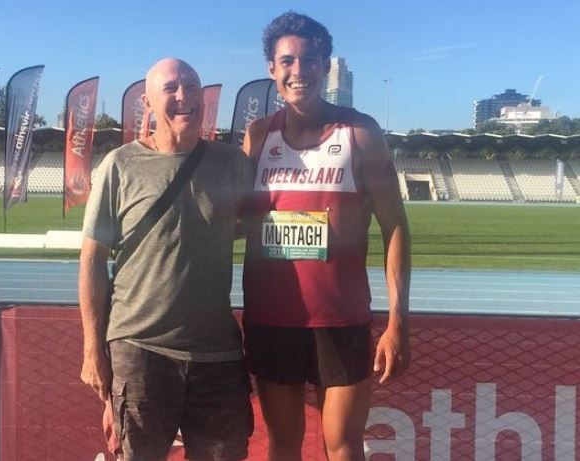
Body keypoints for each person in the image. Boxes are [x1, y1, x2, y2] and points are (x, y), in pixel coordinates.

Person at [241, 12, 411, 461]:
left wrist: (398, 321)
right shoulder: (258, 136)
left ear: (325, 65)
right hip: (270, 319)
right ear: (271, 69)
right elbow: (236, 221)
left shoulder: (360, 131)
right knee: (282, 445)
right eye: (288, 61)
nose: (300, 71)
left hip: (340, 319)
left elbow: (395, 226)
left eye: (310, 60)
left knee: (342, 446)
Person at [79, 57, 254, 461]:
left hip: (217, 354)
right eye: (171, 88)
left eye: (192, 86)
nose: (184, 97)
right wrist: (92, 350)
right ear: (147, 102)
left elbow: (264, 227)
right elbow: (92, 260)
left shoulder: (233, 164)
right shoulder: (119, 166)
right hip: (140, 351)